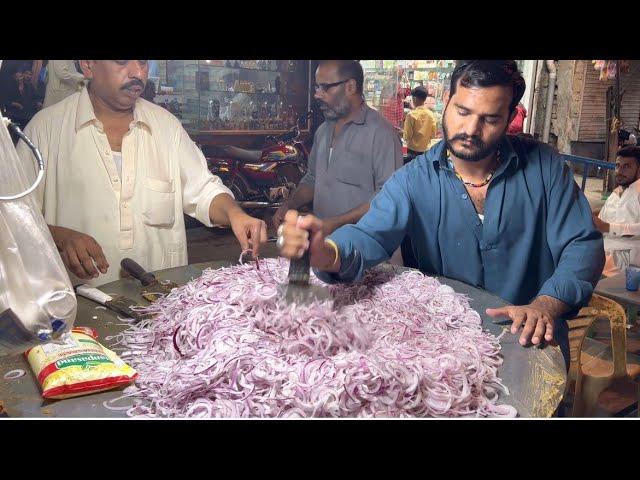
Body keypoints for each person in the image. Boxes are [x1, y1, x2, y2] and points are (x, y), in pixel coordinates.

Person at [277, 60, 605, 368]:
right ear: (447, 100)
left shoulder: (544, 167)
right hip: (448, 356)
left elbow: (583, 246)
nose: (471, 129)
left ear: (510, 117)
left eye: (489, 119)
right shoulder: (412, 180)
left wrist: (547, 303)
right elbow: (367, 236)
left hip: (530, 350)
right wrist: (326, 252)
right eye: (463, 111)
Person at [16, 60, 267, 286]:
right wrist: (60, 237)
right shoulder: (45, 131)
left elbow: (203, 189)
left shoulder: (166, 127)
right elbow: (11, 218)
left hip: (160, 307)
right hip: (78, 317)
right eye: (122, 61)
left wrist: (235, 214)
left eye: (143, 62)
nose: (138, 73)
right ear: (88, 66)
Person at [272, 60, 402, 237]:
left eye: (325, 87)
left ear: (350, 87)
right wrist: (290, 204)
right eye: (316, 87)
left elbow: (388, 198)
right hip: (325, 247)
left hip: (367, 252)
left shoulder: (381, 134)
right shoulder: (323, 131)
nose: (317, 95)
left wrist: (335, 223)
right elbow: (313, 179)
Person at [593, 146, 640, 276]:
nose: (619, 171)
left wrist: (608, 227)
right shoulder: (615, 194)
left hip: (627, 262)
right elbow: (600, 225)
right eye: (618, 165)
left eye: (627, 166)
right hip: (600, 253)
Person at [403, 86, 437, 161]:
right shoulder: (431, 114)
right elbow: (433, 135)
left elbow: (407, 135)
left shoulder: (411, 115)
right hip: (425, 151)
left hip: (411, 151)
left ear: (414, 99)